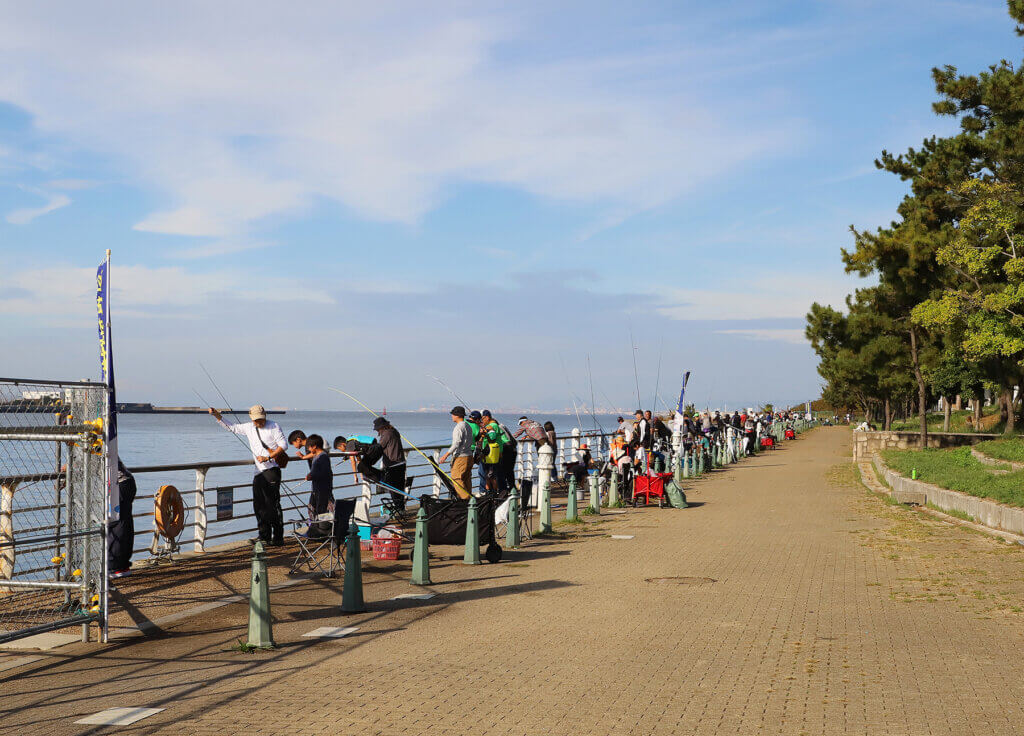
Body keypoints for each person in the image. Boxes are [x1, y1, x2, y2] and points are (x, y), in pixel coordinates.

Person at [209, 405, 286, 546]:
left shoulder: (274, 426)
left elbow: (283, 445)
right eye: (256, 420)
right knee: (259, 505)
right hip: (258, 472)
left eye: (261, 419)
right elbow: (232, 427)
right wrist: (216, 415)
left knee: (272, 505)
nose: (259, 422)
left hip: (272, 471)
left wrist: (268, 458)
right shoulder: (249, 427)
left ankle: (278, 537)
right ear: (252, 419)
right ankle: (264, 536)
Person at [108, 459, 137, 578]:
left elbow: (78, 465)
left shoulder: (90, 444)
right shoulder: (102, 442)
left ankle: (116, 567)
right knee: (124, 523)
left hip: (119, 485)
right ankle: (122, 565)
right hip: (125, 482)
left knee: (116, 524)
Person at [439, 406, 474, 499]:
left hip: (461, 457)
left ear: (457, 415)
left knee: (456, 479)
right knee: (466, 479)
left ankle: (467, 500)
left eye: (453, 414)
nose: (452, 416)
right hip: (469, 456)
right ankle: (471, 501)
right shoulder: (468, 426)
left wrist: (445, 455)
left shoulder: (458, 427)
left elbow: (456, 443)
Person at [373, 416, 407, 511]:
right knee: (399, 488)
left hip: (393, 464)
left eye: (377, 429)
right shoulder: (394, 431)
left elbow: (379, 447)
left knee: (393, 489)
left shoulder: (386, 433)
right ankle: (401, 509)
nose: (377, 431)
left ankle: (398, 509)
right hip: (401, 463)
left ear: (381, 427)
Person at [303, 434, 334, 538]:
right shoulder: (318, 456)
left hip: (322, 490)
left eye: (309, 447)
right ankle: (318, 531)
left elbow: (324, 473)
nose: (308, 449)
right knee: (315, 510)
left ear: (315, 446)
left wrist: (311, 476)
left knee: (321, 512)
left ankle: (322, 533)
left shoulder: (322, 457)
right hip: (318, 489)